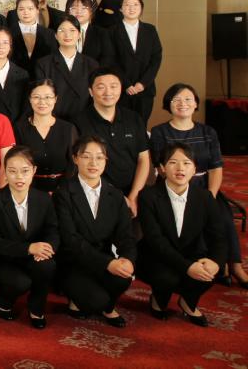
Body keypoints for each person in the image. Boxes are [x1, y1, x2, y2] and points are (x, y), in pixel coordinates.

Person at [150, 83, 248, 287]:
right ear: (168, 104)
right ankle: (215, 264)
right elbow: (160, 167)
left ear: (195, 104)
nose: (183, 103)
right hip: (173, 187)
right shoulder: (160, 132)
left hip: (204, 186)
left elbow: (216, 168)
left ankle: (235, 265)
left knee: (223, 216)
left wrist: (210, 195)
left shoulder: (208, 131)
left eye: (188, 99)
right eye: (176, 100)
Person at [138, 143, 226, 326]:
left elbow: (218, 237)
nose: (180, 168)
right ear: (162, 168)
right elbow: (156, 241)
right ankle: (158, 300)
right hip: (156, 256)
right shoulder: (148, 196)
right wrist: (187, 267)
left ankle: (188, 301)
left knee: (211, 270)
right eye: (173, 162)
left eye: (186, 163)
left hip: (191, 253)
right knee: (167, 278)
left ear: (194, 168)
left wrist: (216, 262)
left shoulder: (205, 198)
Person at [54, 135, 137, 326]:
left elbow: (126, 235)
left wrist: (128, 259)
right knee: (96, 302)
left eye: (99, 157)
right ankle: (82, 299)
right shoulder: (63, 193)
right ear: (75, 159)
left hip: (103, 258)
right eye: (86, 156)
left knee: (123, 278)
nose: (93, 163)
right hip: (74, 262)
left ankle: (106, 306)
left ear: (106, 160)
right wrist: (108, 263)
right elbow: (70, 239)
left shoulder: (115, 194)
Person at [0, 146, 59, 329]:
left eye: (25, 171)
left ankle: (37, 308)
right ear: (5, 171)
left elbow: (53, 230)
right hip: (4, 258)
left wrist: (47, 248)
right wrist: (29, 248)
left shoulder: (44, 199)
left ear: (34, 171)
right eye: (12, 171)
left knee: (47, 265)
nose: (19, 177)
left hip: (34, 255)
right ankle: (3, 302)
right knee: (19, 282)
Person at [74, 67, 151, 209]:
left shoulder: (134, 118)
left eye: (113, 86)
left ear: (121, 89)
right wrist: (118, 197)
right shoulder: (79, 122)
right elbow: (79, 164)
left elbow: (143, 159)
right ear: (91, 91)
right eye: (101, 87)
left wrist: (133, 196)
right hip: (96, 195)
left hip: (134, 195)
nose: (108, 92)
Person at [14, 79, 79, 193]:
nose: (42, 102)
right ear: (30, 99)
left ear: (55, 99)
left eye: (48, 97)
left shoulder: (68, 128)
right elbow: (16, 162)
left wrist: (62, 190)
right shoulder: (19, 128)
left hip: (64, 191)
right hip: (29, 190)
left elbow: (75, 164)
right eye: (36, 97)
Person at [111, 0, 162, 125]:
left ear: (141, 7)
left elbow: (156, 59)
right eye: (127, 5)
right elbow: (111, 60)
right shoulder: (112, 31)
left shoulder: (150, 30)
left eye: (135, 4)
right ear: (121, 8)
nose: (131, 8)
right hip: (121, 89)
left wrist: (142, 83)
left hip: (145, 90)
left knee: (141, 125)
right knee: (121, 125)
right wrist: (126, 84)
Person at [35, 15, 99, 122]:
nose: (67, 35)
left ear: (79, 34)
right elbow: (41, 96)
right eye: (62, 30)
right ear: (55, 35)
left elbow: (95, 96)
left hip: (85, 120)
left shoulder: (91, 64)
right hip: (54, 120)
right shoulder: (43, 64)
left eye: (72, 30)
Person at [0, 27, 29, 123]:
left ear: (10, 46)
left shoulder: (23, 74)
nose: (1, 47)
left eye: (5, 43)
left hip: (16, 126)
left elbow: (26, 106)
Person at [9, 0, 58, 78]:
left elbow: (53, 60)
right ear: (16, 11)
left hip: (42, 80)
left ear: (37, 10)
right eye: (21, 9)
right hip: (14, 80)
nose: (26, 12)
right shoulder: (8, 33)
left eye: (30, 9)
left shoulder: (49, 33)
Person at [66, 0, 114, 66]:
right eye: (74, 8)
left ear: (91, 11)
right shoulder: (61, 32)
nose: (79, 11)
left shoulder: (102, 33)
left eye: (83, 8)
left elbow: (107, 58)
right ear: (68, 11)